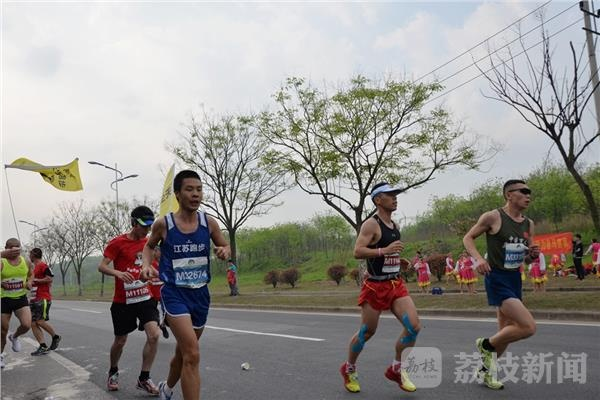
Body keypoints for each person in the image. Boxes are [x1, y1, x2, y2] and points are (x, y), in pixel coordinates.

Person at [141, 170, 231, 400]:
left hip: (200, 295)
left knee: (184, 353)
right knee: (192, 353)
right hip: (174, 294)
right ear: (178, 194)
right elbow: (149, 246)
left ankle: (166, 388)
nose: (195, 194)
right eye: (189, 190)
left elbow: (225, 246)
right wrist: (146, 265)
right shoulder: (164, 224)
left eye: (199, 190)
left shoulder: (209, 223)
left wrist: (223, 250)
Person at [339, 182, 419, 394]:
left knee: (413, 327)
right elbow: (358, 251)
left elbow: (387, 252)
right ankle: (349, 369)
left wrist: (398, 260)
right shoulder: (370, 225)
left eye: (396, 194)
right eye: (390, 195)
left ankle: (397, 368)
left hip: (395, 284)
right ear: (377, 200)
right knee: (367, 332)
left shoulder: (394, 225)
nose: (395, 198)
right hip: (375, 287)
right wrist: (385, 251)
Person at [463, 179, 539, 390]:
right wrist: (478, 259)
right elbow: (468, 238)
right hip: (496, 278)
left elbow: (527, 259)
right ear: (509, 195)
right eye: (523, 192)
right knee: (527, 327)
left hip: (514, 278)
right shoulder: (493, 217)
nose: (528, 195)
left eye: (529, 192)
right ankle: (485, 345)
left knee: (504, 332)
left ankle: (487, 373)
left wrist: (532, 255)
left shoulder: (528, 224)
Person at [98, 205, 161, 395]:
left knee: (154, 335)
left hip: (144, 297)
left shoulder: (149, 243)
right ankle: (113, 371)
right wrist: (118, 273)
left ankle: (144, 378)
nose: (147, 230)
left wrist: (152, 273)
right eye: (143, 226)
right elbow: (102, 266)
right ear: (133, 223)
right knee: (120, 340)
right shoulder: (117, 243)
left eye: (150, 226)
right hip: (123, 300)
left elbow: (153, 266)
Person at [1, 238, 33, 369]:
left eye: (17, 246)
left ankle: (14, 337)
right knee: (2, 331)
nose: (15, 249)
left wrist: (30, 282)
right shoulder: (2, 262)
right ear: (6, 248)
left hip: (20, 297)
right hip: (4, 298)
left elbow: (31, 274)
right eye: (11, 247)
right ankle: (1, 355)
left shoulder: (25, 261)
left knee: (26, 325)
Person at [28, 248, 61, 355]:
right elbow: (31, 283)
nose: (29, 256)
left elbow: (50, 278)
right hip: (33, 298)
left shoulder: (43, 265)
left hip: (42, 298)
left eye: (30, 254)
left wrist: (37, 280)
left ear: (34, 255)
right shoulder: (33, 268)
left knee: (40, 321)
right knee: (33, 323)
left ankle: (55, 337)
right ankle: (43, 346)